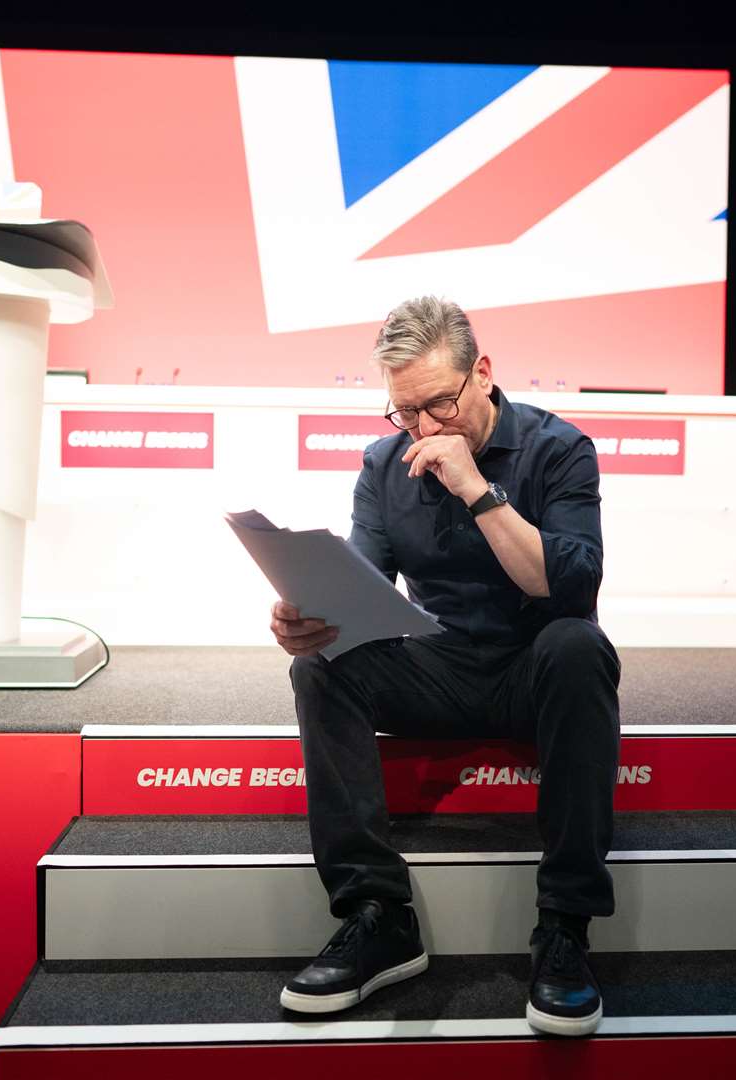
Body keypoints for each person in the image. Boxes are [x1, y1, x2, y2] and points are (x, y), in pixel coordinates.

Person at [270, 296, 622, 1036]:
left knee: (579, 644)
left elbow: (567, 587)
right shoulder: (383, 463)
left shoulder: (559, 451)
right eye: (405, 412)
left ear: (483, 375)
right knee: (322, 668)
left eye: (439, 404)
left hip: (536, 667)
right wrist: (310, 619)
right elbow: (360, 593)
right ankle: (377, 915)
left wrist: (476, 488)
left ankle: (564, 927)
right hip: (439, 665)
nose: (425, 429)